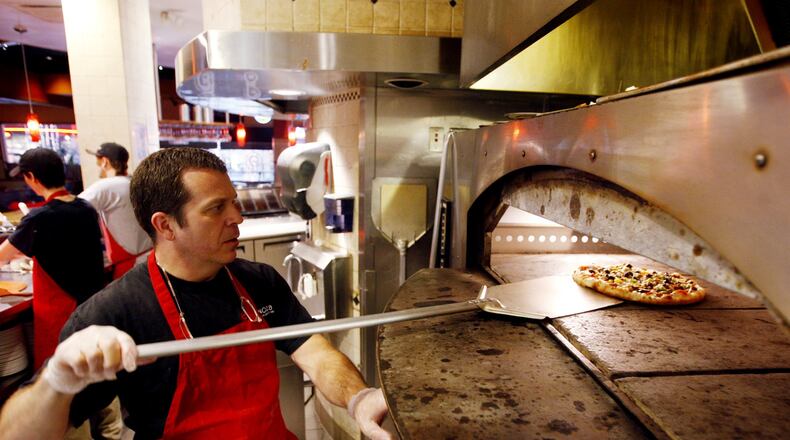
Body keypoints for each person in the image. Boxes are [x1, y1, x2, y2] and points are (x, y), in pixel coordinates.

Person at [0, 147, 391, 440]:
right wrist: (56, 381)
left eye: (234, 203)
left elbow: (317, 354)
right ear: (166, 225)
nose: (236, 217)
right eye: (216, 208)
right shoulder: (113, 313)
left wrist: (358, 399)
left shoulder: (258, 282)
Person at [0, 148, 105, 371]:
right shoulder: (85, 208)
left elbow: (2, 256)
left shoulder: (39, 217)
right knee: (87, 362)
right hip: (90, 302)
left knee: (60, 367)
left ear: (32, 178)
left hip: (59, 307)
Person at [80, 142, 152, 279]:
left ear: (105, 162)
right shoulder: (137, 182)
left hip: (129, 268)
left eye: (98, 161)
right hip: (149, 258)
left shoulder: (105, 187)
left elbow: (71, 209)